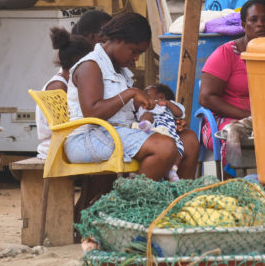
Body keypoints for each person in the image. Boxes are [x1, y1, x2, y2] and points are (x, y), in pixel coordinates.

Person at [64, 13, 180, 181]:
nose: (136, 58)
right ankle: (132, 204)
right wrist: (130, 93)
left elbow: (125, 107)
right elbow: (92, 112)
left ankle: (173, 199)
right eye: (134, 51)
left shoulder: (117, 69)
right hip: (85, 140)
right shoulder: (91, 66)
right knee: (164, 147)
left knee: (186, 140)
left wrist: (163, 115)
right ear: (118, 39)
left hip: (109, 135)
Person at [198, 0, 265, 164]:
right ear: (243, 25)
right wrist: (248, 116)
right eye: (253, 20)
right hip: (225, 120)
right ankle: (234, 187)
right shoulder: (226, 54)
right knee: (233, 137)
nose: (260, 24)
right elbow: (206, 98)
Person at [36, 27, 93, 159]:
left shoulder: (70, 82)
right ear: (80, 61)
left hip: (66, 143)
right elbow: (64, 126)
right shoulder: (59, 86)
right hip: (57, 147)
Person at [136, 82, 186, 182]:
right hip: (152, 130)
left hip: (169, 132)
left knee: (179, 149)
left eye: (147, 92)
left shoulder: (169, 105)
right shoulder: (146, 106)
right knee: (147, 114)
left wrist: (168, 103)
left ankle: (172, 170)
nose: (144, 94)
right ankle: (145, 124)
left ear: (161, 96)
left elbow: (179, 114)